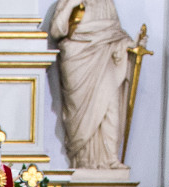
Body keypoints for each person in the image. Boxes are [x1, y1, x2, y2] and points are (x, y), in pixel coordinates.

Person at [46, 0, 137, 169]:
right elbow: (56, 31)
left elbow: (115, 34)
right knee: (83, 114)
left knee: (111, 107)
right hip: (77, 61)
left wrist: (128, 45)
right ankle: (84, 160)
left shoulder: (107, 3)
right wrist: (70, 5)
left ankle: (110, 159)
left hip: (104, 57)